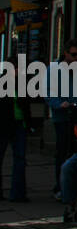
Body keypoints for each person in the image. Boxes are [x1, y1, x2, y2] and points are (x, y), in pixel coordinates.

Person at [46, 42, 77, 197]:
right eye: (74, 54)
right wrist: (58, 103)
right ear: (65, 53)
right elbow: (48, 90)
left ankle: (74, 186)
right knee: (62, 152)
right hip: (62, 116)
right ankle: (61, 187)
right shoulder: (54, 69)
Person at [0, 61, 35, 202]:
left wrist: (29, 123)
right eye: (16, 68)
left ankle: (18, 193)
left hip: (19, 124)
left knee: (20, 159)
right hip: (3, 125)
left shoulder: (22, 84)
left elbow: (26, 105)